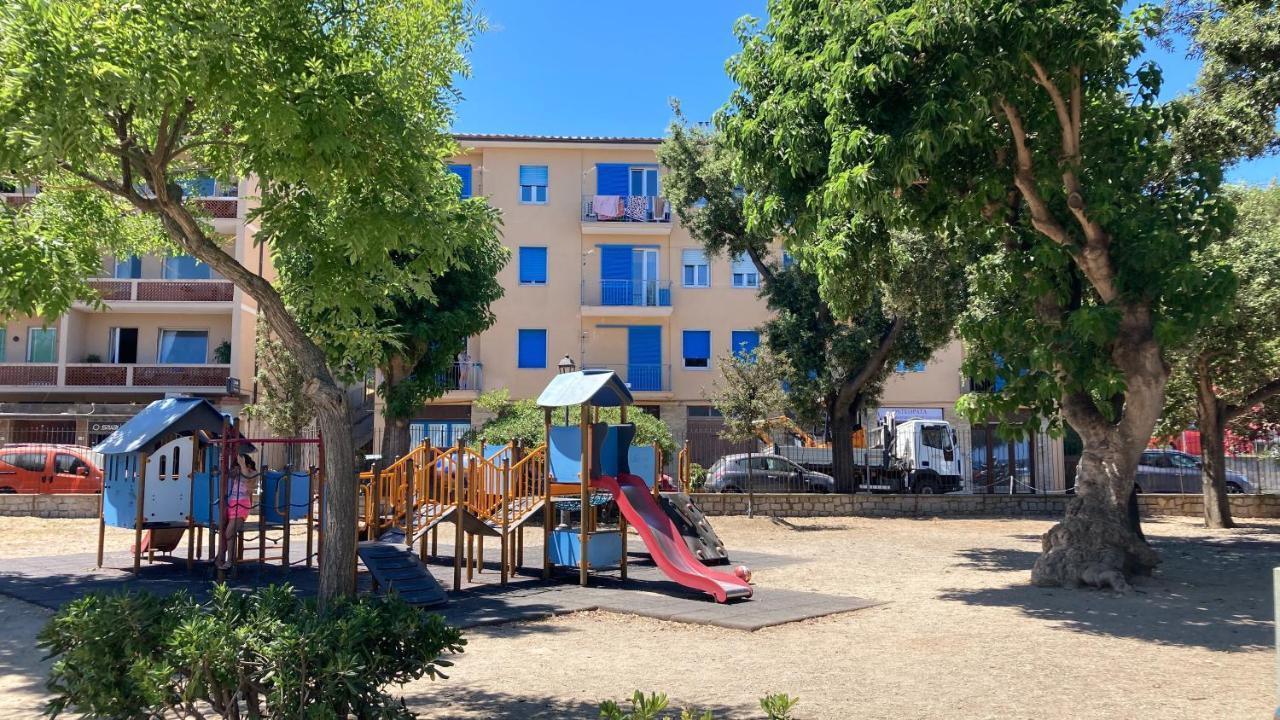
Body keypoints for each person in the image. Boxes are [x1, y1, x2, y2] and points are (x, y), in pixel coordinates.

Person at [215, 453, 257, 570]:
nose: (237, 469)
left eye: (238, 467)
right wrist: (222, 462)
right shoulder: (238, 474)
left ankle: (229, 561)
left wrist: (242, 465)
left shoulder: (253, 473)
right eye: (236, 467)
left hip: (242, 505)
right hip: (232, 505)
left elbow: (247, 481)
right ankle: (227, 559)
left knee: (229, 532)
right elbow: (226, 474)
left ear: (248, 465)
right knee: (228, 533)